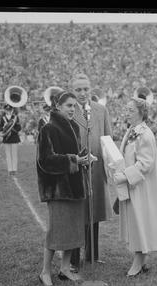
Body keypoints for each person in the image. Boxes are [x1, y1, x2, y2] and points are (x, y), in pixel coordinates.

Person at [113, 97, 157, 276]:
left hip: (141, 186)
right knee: (137, 220)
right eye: (126, 109)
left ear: (141, 112)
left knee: (139, 221)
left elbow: (146, 163)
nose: (127, 112)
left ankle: (138, 261)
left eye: (130, 110)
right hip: (134, 185)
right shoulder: (132, 130)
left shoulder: (145, 134)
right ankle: (143, 258)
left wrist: (125, 175)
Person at [36, 91, 89, 286]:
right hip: (57, 189)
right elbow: (45, 161)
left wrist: (84, 158)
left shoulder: (74, 126)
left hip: (75, 186)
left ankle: (65, 269)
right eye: (69, 106)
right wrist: (74, 159)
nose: (72, 109)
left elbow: (74, 154)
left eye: (74, 106)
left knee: (73, 231)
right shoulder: (48, 128)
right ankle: (45, 271)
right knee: (57, 231)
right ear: (58, 106)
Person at [70, 73, 113, 271]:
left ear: (91, 89)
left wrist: (110, 167)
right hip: (75, 168)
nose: (82, 93)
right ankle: (73, 258)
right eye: (78, 89)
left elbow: (108, 140)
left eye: (85, 89)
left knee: (94, 211)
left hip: (96, 170)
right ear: (72, 90)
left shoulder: (100, 110)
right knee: (77, 213)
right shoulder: (68, 110)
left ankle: (92, 255)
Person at [0, 104, 22, 175]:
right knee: (8, 155)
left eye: (9, 110)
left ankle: (14, 169)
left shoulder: (15, 117)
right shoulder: (3, 118)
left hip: (14, 138)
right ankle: (10, 169)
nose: (8, 111)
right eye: (7, 110)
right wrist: (4, 130)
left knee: (14, 154)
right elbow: (0, 128)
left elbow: (19, 128)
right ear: (5, 110)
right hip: (6, 138)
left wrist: (12, 129)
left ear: (12, 110)